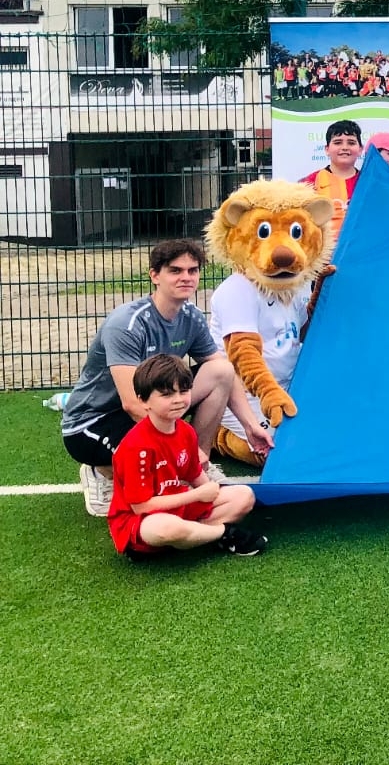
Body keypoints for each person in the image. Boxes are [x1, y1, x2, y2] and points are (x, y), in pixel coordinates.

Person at [60, 239, 272, 517]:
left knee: (220, 370)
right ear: (155, 276)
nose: (186, 277)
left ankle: (199, 468)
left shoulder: (191, 317)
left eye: (192, 270)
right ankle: (101, 471)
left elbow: (224, 373)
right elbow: (132, 404)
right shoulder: (127, 324)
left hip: (153, 406)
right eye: (175, 270)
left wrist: (250, 426)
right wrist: (183, 448)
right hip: (94, 423)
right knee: (146, 486)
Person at [107, 354, 269, 558]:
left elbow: (195, 475)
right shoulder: (135, 446)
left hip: (179, 509)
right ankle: (223, 533)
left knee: (244, 496)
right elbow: (141, 506)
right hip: (142, 522)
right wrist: (197, 495)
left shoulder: (186, 431)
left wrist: (210, 490)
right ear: (143, 401)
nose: (178, 400)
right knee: (165, 528)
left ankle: (191, 536)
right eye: (167, 395)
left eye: (183, 391)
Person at [301, 119, 363, 244]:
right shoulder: (309, 183)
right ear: (327, 149)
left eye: (351, 143)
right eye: (338, 142)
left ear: (360, 149)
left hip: (361, 251)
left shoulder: (369, 182)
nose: (344, 147)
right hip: (325, 253)